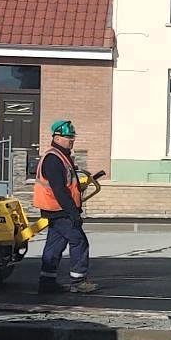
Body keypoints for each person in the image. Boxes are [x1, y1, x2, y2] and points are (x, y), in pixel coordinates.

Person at [33, 120, 104, 295]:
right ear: (57, 138)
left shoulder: (61, 157)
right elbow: (59, 190)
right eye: (68, 138)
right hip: (61, 210)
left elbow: (67, 185)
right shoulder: (53, 159)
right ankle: (78, 281)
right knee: (79, 241)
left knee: (55, 245)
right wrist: (73, 213)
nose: (71, 141)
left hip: (56, 210)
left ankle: (47, 282)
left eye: (73, 137)